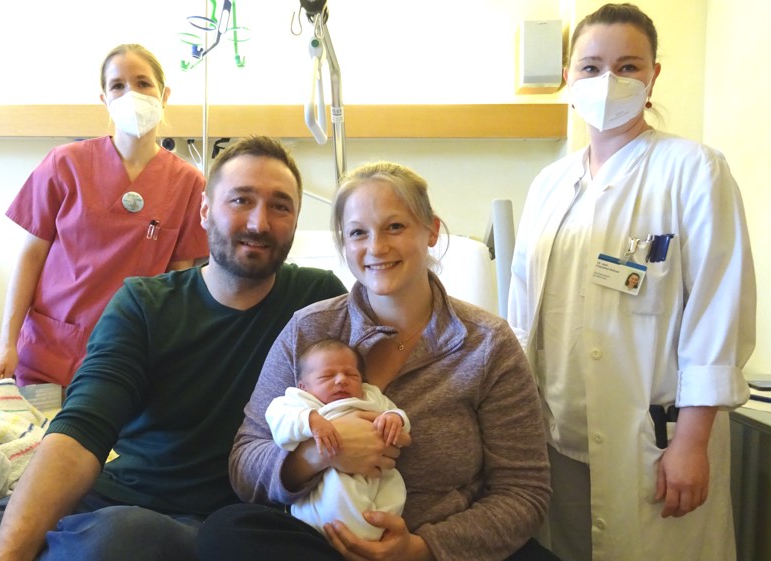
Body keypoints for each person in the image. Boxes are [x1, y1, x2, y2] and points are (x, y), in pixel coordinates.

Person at [0, 136, 347, 561]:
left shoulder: (317, 303)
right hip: (108, 495)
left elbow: (386, 369)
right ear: (205, 211)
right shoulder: (144, 304)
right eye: (241, 200)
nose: (259, 223)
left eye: (280, 206)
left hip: (213, 525)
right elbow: (82, 429)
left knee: (117, 540)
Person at [199, 162, 558, 561]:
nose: (376, 248)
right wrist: (319, 454)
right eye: (358, 233)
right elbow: (245, 462)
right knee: (226, 532)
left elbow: (524, 491)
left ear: (432, 231)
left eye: (395, 227)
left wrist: (423, 549)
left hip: (438, 546)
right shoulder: (309, 328)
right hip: (321, 544)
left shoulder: (486, 343)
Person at [507, 4, 756, 561]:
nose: (608, 81)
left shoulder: (694, 169)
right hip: (557, 436)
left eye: (627, 66)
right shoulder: (550, 184)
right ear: (569, 77)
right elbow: (524, 314)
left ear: (652, 76)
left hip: (655, 440)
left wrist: (692, 442)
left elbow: (718, 310)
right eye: (591, 67)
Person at [0, 43, 208, 388]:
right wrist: (7, 345)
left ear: (164, 95)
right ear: (105, 99)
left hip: (132, 353)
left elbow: (180, 283)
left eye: (143, 83)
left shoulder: (188, 183)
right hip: (51, 348)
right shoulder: (64, 164)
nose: (132, 94)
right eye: (118, 85)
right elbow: (31, 257)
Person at [266, 338, 410, 541]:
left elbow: (397, 415)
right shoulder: (301, 400)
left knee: (392, 492)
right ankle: (353, 537)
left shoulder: (370, 396)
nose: (341, 380)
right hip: (326, 476)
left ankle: (374, 535)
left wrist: (394, 419)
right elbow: (277, 416)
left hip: (375, 474)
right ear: (303, 386)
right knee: (334, 496)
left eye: (352, 375)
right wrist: (310, 420)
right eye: (327, 376)